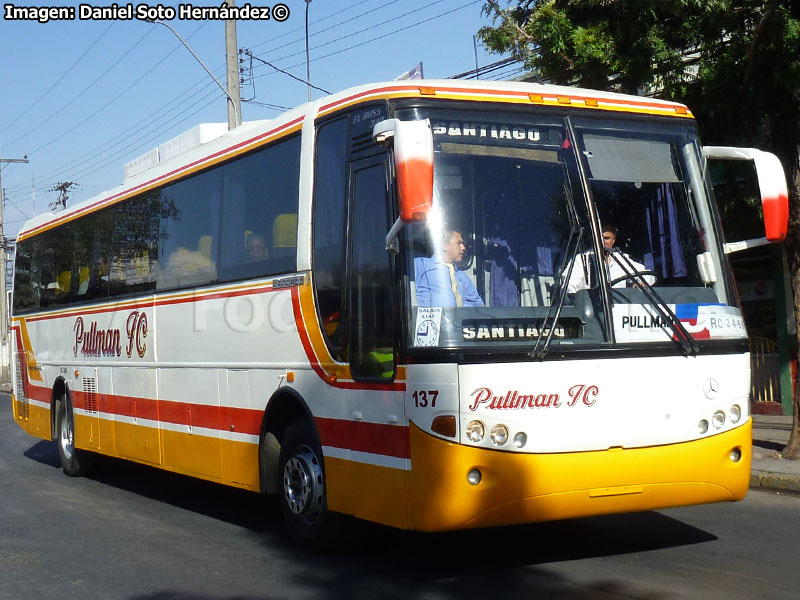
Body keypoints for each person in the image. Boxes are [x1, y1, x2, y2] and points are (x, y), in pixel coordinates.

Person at [566, 223, 654, 293]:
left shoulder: (621, 259)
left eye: (606, 238)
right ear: (592, 238)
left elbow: (647, 275)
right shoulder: (580, 260)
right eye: (598, 238)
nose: (602, 242)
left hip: (619, 311)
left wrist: (642, 283)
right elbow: (569, 288)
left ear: (613, 240)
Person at [415, 228, 484, 307]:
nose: (463, 248)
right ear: (444, 245)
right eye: (459, 243)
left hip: (458, 318)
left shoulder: (463, 277)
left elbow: (479, 307)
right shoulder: (421, 265)